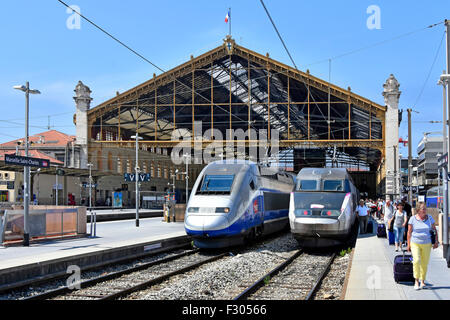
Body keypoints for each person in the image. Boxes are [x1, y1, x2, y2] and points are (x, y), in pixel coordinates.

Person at [407, 202, 439, 290]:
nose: (425, 210)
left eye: (425, 208)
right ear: (418, 210)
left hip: (427, 243)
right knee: (416, 261)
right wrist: (408, 244)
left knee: (424, 263)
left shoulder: (430, 218)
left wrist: (436, 241)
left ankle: (423, 281)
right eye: (423, 209)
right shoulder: (412, 219)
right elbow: (409, 232)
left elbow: (434, 230)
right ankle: (416, 281)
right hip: (415, 243)